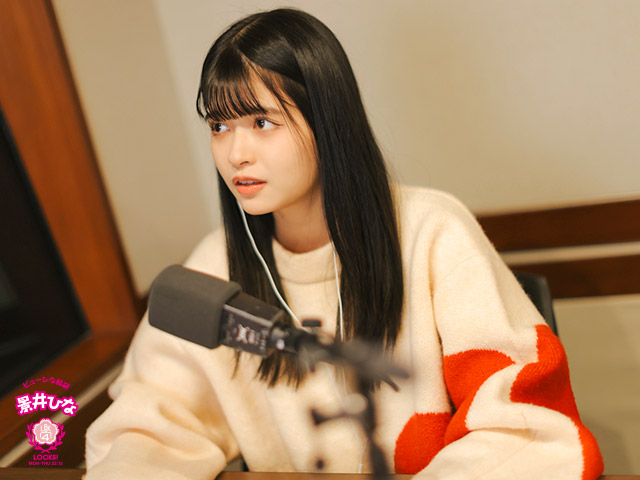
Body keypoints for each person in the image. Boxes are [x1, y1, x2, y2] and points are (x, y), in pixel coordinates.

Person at [85, 8, 603, 480]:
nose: (235, 153)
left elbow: (523, 426)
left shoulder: (432, 233)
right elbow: (145, 426)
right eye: (219, 126)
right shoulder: (214, 265)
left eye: (262, 122)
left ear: (327, 119)